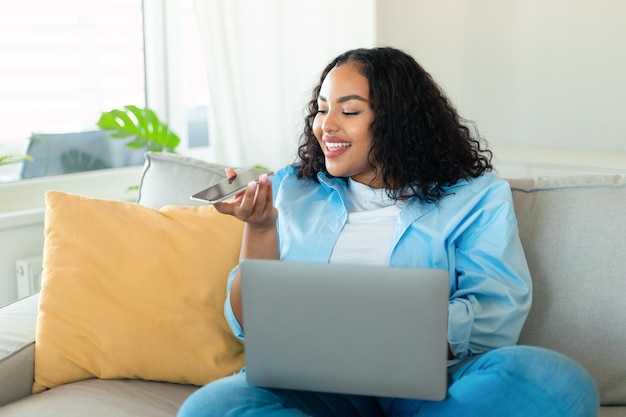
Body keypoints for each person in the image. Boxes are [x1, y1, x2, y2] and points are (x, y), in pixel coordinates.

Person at [178, 47, 599, 417]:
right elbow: (252, 323)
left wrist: (389, 335)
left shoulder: (476, 196)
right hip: (317, 386)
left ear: (399, 121)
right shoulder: (291, 188)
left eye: (350, 110)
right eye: (322, 108)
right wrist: (261, 226)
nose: (326, 125)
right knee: (212, 407)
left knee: (553, 378)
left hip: (437, 385)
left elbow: (496, 314)